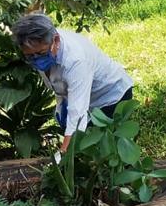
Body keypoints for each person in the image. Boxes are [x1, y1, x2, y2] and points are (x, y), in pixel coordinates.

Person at [12, 13, 133, 154]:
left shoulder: (75, 60)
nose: (36, 59)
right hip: (82, 97)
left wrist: (63, 156)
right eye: (30, 56)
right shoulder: (42, 48)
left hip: (110, 95)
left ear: (55, 41)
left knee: (109, 151)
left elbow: (77, 116)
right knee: (85, 150)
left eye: (41, 54)